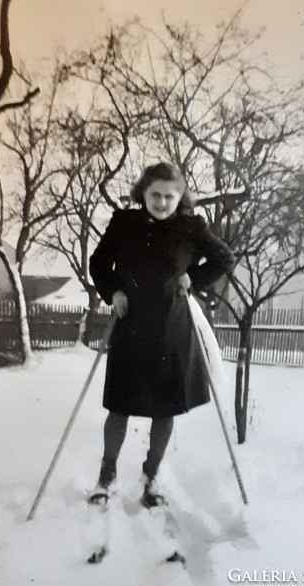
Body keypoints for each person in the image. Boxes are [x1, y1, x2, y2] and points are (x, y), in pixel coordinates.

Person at [88, 162, 234, 507]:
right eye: (156, 194)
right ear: (143, 192)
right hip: (131, 326)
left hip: (172, 330)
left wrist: (193, 279)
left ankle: (150, 478)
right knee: (119, 406)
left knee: (164, 409)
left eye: (170, 196)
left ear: (181, 196)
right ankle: (106, 477)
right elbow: (98, 263)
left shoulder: (192, 227)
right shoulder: (124, 223)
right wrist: (114, 292)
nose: (163, 202)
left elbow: (224, 258)